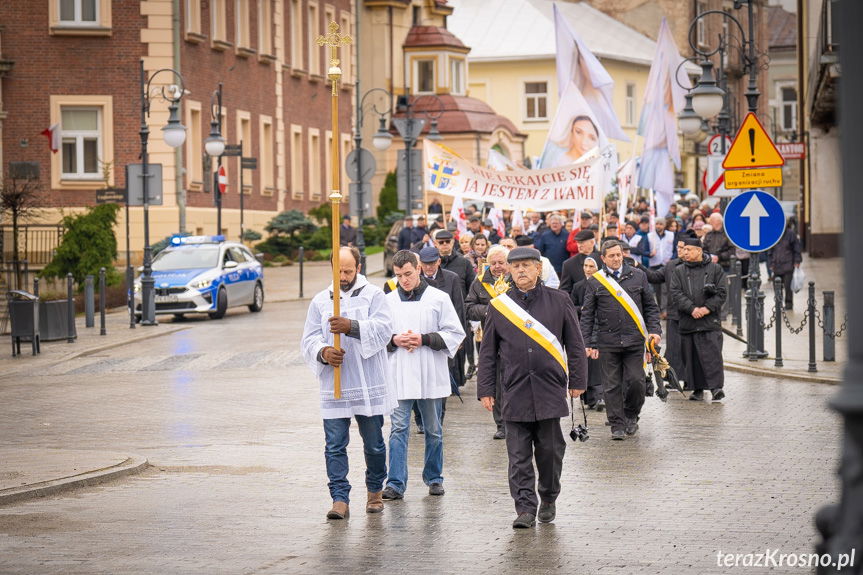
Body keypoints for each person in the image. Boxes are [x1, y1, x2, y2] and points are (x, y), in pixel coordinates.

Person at [477, 247, 587, 528]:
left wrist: (578, 381)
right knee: (518, 456)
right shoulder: (499, 306)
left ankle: (548, 497)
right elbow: (487, 353)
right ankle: (525, 508)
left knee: (551, 451)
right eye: (515, 266)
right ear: (509, 271)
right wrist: (486, 389)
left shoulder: (560, 300)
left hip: (549, 388)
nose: (521, 270)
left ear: (538, 269)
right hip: (514, 390)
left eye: (526, 265)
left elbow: (575, 344)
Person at [300, 246, 395, 519]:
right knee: (334, 444)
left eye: (348, 271)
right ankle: (339, 498)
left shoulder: (373, 295)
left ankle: (375, 491)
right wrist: (323, 352)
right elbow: (309, 338)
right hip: (335, 382)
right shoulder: (321, 300)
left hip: (367, 380)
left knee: (374, 443)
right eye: (338, 271)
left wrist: (351, 327)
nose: (342, 277)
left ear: (359, 268)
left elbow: (385, 329)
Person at [381, 250, 465, 500]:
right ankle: (395, 483)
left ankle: (434, 477)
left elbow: (455, 333)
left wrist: (424, 339)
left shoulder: (438, 298)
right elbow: (377, 336)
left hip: (430, 370)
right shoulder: (387, 301)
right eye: (399, 276)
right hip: (400, 372)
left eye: (408, 274)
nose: (404, 280)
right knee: (398, 428)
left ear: (418, 268)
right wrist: (394, 340)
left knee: (433, 429)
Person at [580, 240, 661, 440]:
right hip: (608, 341)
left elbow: (650, 307)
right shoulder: (595, 281)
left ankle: (631, 415)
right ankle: (617, 424)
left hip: (634, 340)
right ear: (603, 258)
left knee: (636, 382)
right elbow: (588, 315)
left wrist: (654, 330)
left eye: (619, 255)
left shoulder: (638, 276)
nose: (616, 259)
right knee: (611, 385)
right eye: (612, 256)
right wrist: (588, 342)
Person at [670, 235, 728, 401]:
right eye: (684, 250)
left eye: (688, 250)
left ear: (699, 251)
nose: (685, 253)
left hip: (709, 321)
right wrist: (692, 309)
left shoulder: (715, 269)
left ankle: (716, 388)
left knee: (712, 356)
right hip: (688, 321)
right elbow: (676, 293)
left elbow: (722, 292)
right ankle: (697, 389)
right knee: (692, 358)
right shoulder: (679, 271)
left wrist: (706, 308)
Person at [465, 244, 511, 439]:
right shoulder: (479, 282)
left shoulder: (516, 280)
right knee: (497, 383)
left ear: (508, 263)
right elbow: (469, 307)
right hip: (491, 339)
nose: (497, 266)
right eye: (493, 263)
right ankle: (501, 424)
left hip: (515, 340)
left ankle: (516, 421)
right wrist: (489, 311)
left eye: (501, 262)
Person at [568, 256, 604, 411]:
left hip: (600, 327)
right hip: (583, 327)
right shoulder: (578, 286)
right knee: (586, 362)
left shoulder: (604, 284)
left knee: (597, 363)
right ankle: (588, 397)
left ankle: (600, 396)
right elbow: (571, 306)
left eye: (591, 266)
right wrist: (581, 309)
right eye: (586, 266)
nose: (588, 269)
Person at [767, 219, 803, 310]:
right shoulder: (773, 234)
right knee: (777, 287)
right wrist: (771, 263)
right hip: (776, 266)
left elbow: (797, 248)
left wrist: (797, 261)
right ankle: (778, 304)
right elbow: (770, 250)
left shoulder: (790, 234)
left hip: (788, 265)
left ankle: (789, 304)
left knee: (788, 287)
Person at [559, 229, 601, 294]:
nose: (579, 245)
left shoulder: (604, 259)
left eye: (582, 243)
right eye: (578, 242)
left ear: (592, 242)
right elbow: (564, 291)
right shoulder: (569, 264)